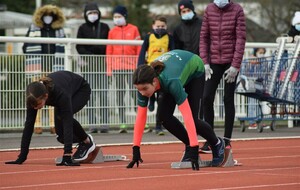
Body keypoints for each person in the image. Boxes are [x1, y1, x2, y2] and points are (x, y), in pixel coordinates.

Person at [126, 50, 225, 171]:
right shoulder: (144, 85)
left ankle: (217, 143)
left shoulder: (172, 82)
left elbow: (186, 114)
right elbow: (140, 118)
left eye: (145, 89)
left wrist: (194, 147)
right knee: (163, 117)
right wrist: (135, 149)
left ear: (154, 81)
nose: (142, 93)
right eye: (139, 89)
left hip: (195, 71)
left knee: (193, 120)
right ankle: (189, 144)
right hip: (175, 71)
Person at [5, 71, 95, 166]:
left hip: (80, 90)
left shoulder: (60, 93)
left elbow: (67, 121)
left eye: (38, 105)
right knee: (62, 137)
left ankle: (87, 141)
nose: (36, 108)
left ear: (46, 97)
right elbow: (29, 125)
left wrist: (67, 155)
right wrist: (22, 156)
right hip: (66, 89)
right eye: (34, 106)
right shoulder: (33, 98)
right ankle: (81, 139)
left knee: (63, 116)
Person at [199, 0, 246, 153]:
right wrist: (204, 62)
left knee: (228, 98)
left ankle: (226, 140)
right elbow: (204, 37)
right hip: (213, 61)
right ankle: (210, 139)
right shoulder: (209, 9)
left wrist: (235, 65)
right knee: (206, 97)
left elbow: (240, 38)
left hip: (230, 62)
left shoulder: (237, 9)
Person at [22, 4, 66, 134]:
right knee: (36, 95)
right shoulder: (33, 28)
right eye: (45, 15)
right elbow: (26, 45)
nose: (48, 18)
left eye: (50, 15)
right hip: (37, 65)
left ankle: (53, 124)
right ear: (41, 16)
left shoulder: (59, 30)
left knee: (52, 95)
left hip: (53, 66)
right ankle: (37, 124)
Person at [137, 15, 175, 135]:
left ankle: (158, 125)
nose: (160, 28)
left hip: (163, 69)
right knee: (151, 89)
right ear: (153, 26)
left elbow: (173, 52)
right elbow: (143, 51)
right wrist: (140, 66)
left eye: (162, 26)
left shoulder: (169, 37)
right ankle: (151, 100)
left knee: (162, 99)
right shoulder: (149, 37)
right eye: (157, 26)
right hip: (150, 68)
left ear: (166, 26)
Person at [106, 5, 141, 133]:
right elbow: (108, 51)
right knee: (120, 94)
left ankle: (141, 120)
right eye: (115, 16)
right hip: (117, 67)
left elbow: (139, 50)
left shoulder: (134, 29)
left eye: (119, 16)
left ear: (124, 16)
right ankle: (122, 122)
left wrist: (139, 67)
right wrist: (109, 69)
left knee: (135, 93)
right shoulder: (112, 31)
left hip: (132, 68)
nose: (117, 19)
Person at [76, 2, 110, 133]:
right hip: (88, 66)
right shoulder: (82, 28)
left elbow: (108, 45)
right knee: (89, 95)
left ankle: (105, 123)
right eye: (90, 13)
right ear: (85, 14)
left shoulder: (105, 27)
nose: (93, 15)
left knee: (103, 94)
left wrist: (99, 50)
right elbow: (79, 46)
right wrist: (89, 54)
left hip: (102, 65)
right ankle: (92, 123)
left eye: (95, 13)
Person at [173, 0, 204, 119]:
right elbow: (177, 49)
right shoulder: (177, 29)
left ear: (193, 10)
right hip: (186, 67)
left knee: (201, 96)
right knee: (189, 96)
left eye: (188, 10)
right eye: (183, 11)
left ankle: (202, 122)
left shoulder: (203, 24)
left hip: (201, 65)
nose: (186, 13)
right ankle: (191, 121)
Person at [248, 48, 266, 129]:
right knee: (252, 103)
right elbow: (248, 72)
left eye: (263, 53)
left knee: (258, 103)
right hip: (252, 83)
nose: (261, 54)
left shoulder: (262, 63)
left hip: (259, 84)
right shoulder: (251, 61)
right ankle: (252, 122)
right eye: (260, 52)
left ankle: (259, 121)